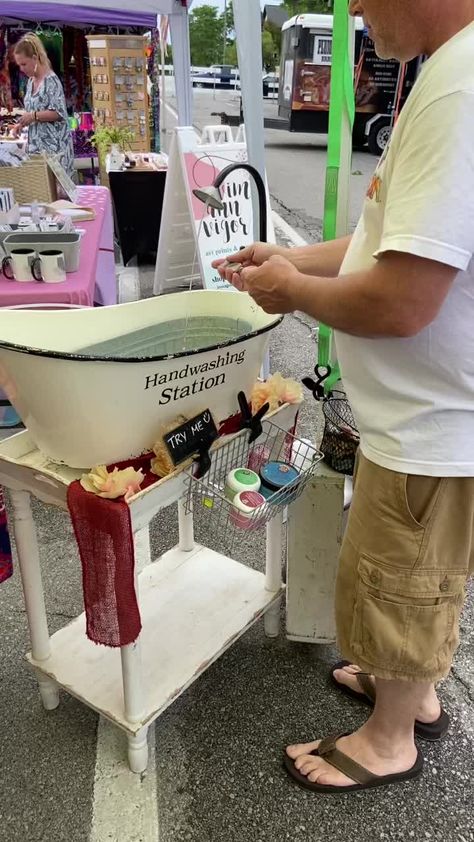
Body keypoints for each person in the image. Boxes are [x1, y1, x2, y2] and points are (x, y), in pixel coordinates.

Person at [213, 0, 474, 795]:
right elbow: (384, 242)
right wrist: (293, 260)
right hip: (426, 413)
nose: (355, 6)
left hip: (432, 422)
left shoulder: (461, 86)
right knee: (413, 573)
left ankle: (390, 738)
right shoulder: (447, 71)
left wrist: (292, 290)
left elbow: (400, 301)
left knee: (396, 574)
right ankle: (413, 690)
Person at [12, 33, 75, 180]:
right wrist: (21, 124)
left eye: (23, 64)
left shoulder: (51, 81)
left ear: (35, 58)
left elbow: (59, 113)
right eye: (19, 65)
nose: (21, 69)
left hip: (55, 151)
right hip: (38, 151)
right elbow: (32, 112)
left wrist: (33, 116)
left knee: (57, 197)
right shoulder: (30, 82)